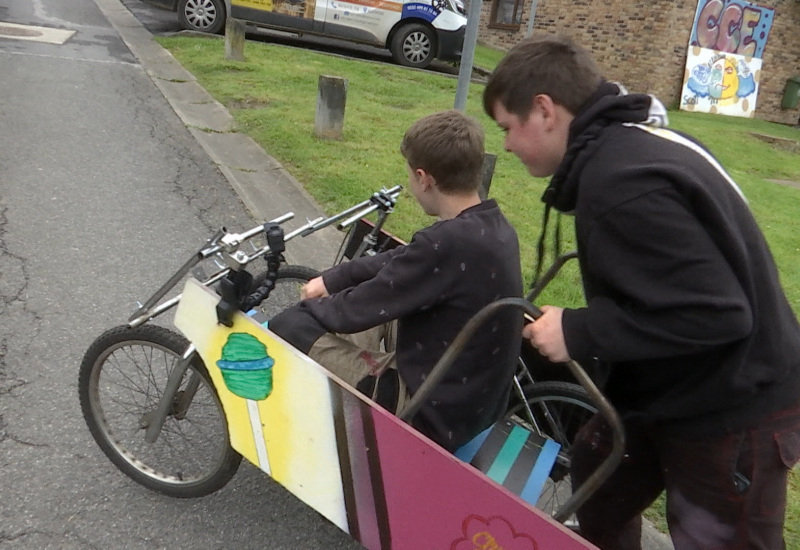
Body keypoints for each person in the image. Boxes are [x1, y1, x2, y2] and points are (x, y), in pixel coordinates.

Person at [483, 35, 800, 550]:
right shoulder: (629, 146)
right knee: (598, 472)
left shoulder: (623, 180)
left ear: (543, 110)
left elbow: (718, 315)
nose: (507, 145)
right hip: (667, 386)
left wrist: (580, 330)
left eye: (507, 128)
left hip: (736, 402)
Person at [269, 109, 523, 452]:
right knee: (350, 315)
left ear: (424, 178)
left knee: (291, 324)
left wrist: (312, 307)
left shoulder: (445, 244)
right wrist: (332, 279)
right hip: (472, 400)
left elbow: (359, 307)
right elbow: (399, 262)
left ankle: (325, 429)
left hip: (428, 412)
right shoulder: (493, 227)